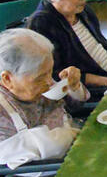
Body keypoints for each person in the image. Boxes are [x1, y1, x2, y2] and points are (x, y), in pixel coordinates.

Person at [0, 29, 87, 168]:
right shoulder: (3, 113)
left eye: (50, 72)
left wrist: (74, 86)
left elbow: (74, 107)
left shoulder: (36, 79)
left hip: (74, 144)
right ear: (7, 79)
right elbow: (24, 168)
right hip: (48, 173)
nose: (50, 82)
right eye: (40, 78)